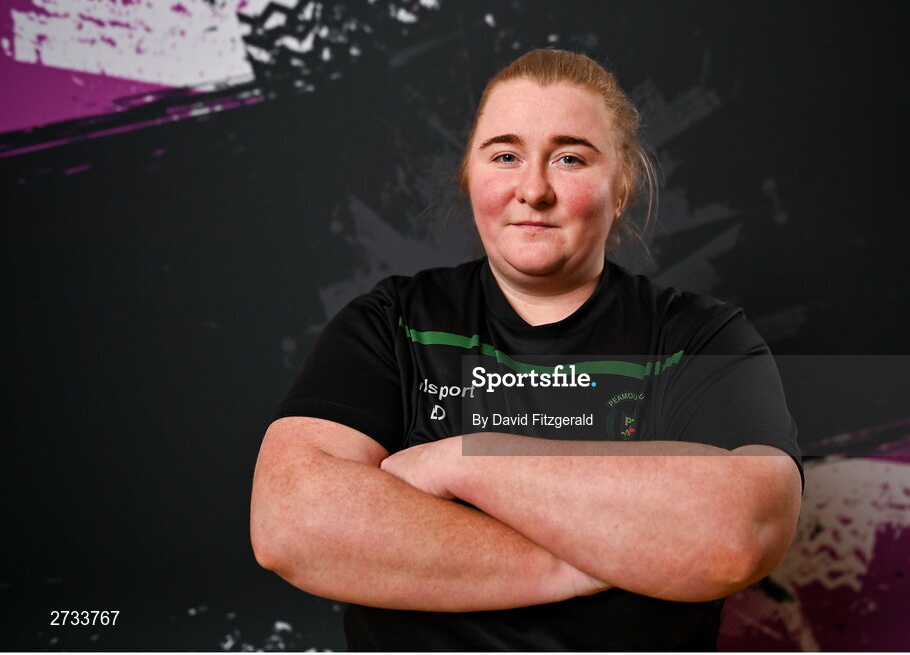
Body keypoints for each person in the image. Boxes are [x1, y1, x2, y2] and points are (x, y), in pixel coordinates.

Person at [250, 49, 802, 650]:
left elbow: (740, 533)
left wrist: (459, 461)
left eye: (569, 158)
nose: (533, 189)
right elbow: (291, 522)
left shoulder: (701, 338)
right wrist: (600, 557)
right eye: (506, 156)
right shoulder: (392, 323)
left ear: (620, 188)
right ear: (470, 175)